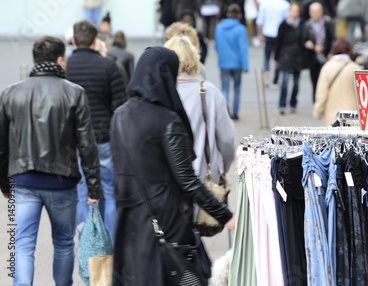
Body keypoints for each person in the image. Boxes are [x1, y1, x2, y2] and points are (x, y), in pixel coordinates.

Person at [110, 46, 236, 285]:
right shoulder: (168, 120)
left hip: (128, 218)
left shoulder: (120, 115)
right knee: (179, 276)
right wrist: (225, 215)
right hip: (165, 219)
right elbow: (187, 180)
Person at [0, 36, 101, 286]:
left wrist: (4, 182)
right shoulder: (74, 93)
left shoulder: (10, 93)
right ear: (59, 60)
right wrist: (94, 187)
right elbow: (87, 144)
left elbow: (1, 144)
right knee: (64, 243)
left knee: (22, 244)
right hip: (62, 181)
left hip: (22, 180)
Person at [66, 20, 126, 243]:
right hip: (103, 140)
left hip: (77, 142)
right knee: (109, 192)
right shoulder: (108, 66)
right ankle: (111, 243)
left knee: (83, 193)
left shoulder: (66, 68)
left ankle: (88, 243)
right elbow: (120, 105)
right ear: (95, 41)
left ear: (73, 41)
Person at [165, 35, 235, 194]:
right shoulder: (210, 92)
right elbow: (227, 140)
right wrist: (221, 168)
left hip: (171, 182)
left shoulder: (163, 93)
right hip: (206, 179)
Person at [313, 39, 361, 126]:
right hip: (351, 115)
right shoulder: (355, 68)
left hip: (332, 115)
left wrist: (318, 110)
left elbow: (321, 92)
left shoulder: (327, 67)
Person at [214, 4, 249, 120]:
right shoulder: (241, 29)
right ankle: (235, 112)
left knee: (225, 88)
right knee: (237, 88)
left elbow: (217, 46)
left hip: (224, 62)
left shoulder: (219, 27)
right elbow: (243, 49)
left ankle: (225, 111)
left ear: (228, 14)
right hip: (237, 63)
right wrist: (245, 65)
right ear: (239, 15)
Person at [274, 2, 305, 115]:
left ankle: (293, 103)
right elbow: (278, 42)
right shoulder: (283, 25)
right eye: (292, 10)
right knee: (285, 81)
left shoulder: (301, 24)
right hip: (285, 55)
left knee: (296, 83)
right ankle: (282, 104)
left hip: (298, 56)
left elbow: (304, 39)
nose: (294, 13)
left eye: (296, 11)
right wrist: (276, 58)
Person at [303, 1, 336, 103]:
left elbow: (333, 39)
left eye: (317, 11)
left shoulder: (328, 22)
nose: (316, 13)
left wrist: (331, 52)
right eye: (313, 11)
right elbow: (303, 40)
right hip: (313, 57)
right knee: (314, 80)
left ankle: (324, 100)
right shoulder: (307, 25)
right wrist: (311, 46)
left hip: (325, 56)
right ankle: (316, 101)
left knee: (325, 80)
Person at [256, 0, 290, 86]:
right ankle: (276, 78)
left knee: (267, 57)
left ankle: (267, 73)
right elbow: (287, 20)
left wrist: (259, 34)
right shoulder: (285, 4)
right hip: (279, 35)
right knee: (277, 57)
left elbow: (260, 20)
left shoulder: (265, 3)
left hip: (268, 33)